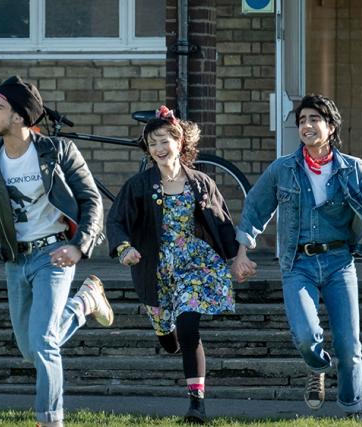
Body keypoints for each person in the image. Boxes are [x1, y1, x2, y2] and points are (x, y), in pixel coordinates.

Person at [231, 94, 362, 419]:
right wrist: (241, 253)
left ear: (330, 126)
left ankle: (351, 411)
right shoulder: (283, 169)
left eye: (314, 119)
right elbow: (256, 206)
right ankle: (316, 366)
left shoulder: (352, 168)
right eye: (302, 121)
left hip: (339, 264)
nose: (307, 126)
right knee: (306, 336)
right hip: (297, 264)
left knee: (349, 348)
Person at [0, 76, 113, 427]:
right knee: (30, 349)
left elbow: (91, 201)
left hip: (54, 254)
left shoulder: (59, 152)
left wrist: (79, 246)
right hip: (16, 260)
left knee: (43, 343)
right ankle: (85, 302)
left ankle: (50, 420)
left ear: (20, 118)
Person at [106, 106, 242, 424]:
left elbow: (223, 224)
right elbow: (117, 222)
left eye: (164, 140)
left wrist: (239, 257)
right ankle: (163, 329)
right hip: (155, 265)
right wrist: (124, 248)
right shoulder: (139, 186)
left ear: (179, 142)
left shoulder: (201, 183)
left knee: (189, 327)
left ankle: (197, 405)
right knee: (168, 334)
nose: (159, 148)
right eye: (152, 143)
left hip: (195, 263)